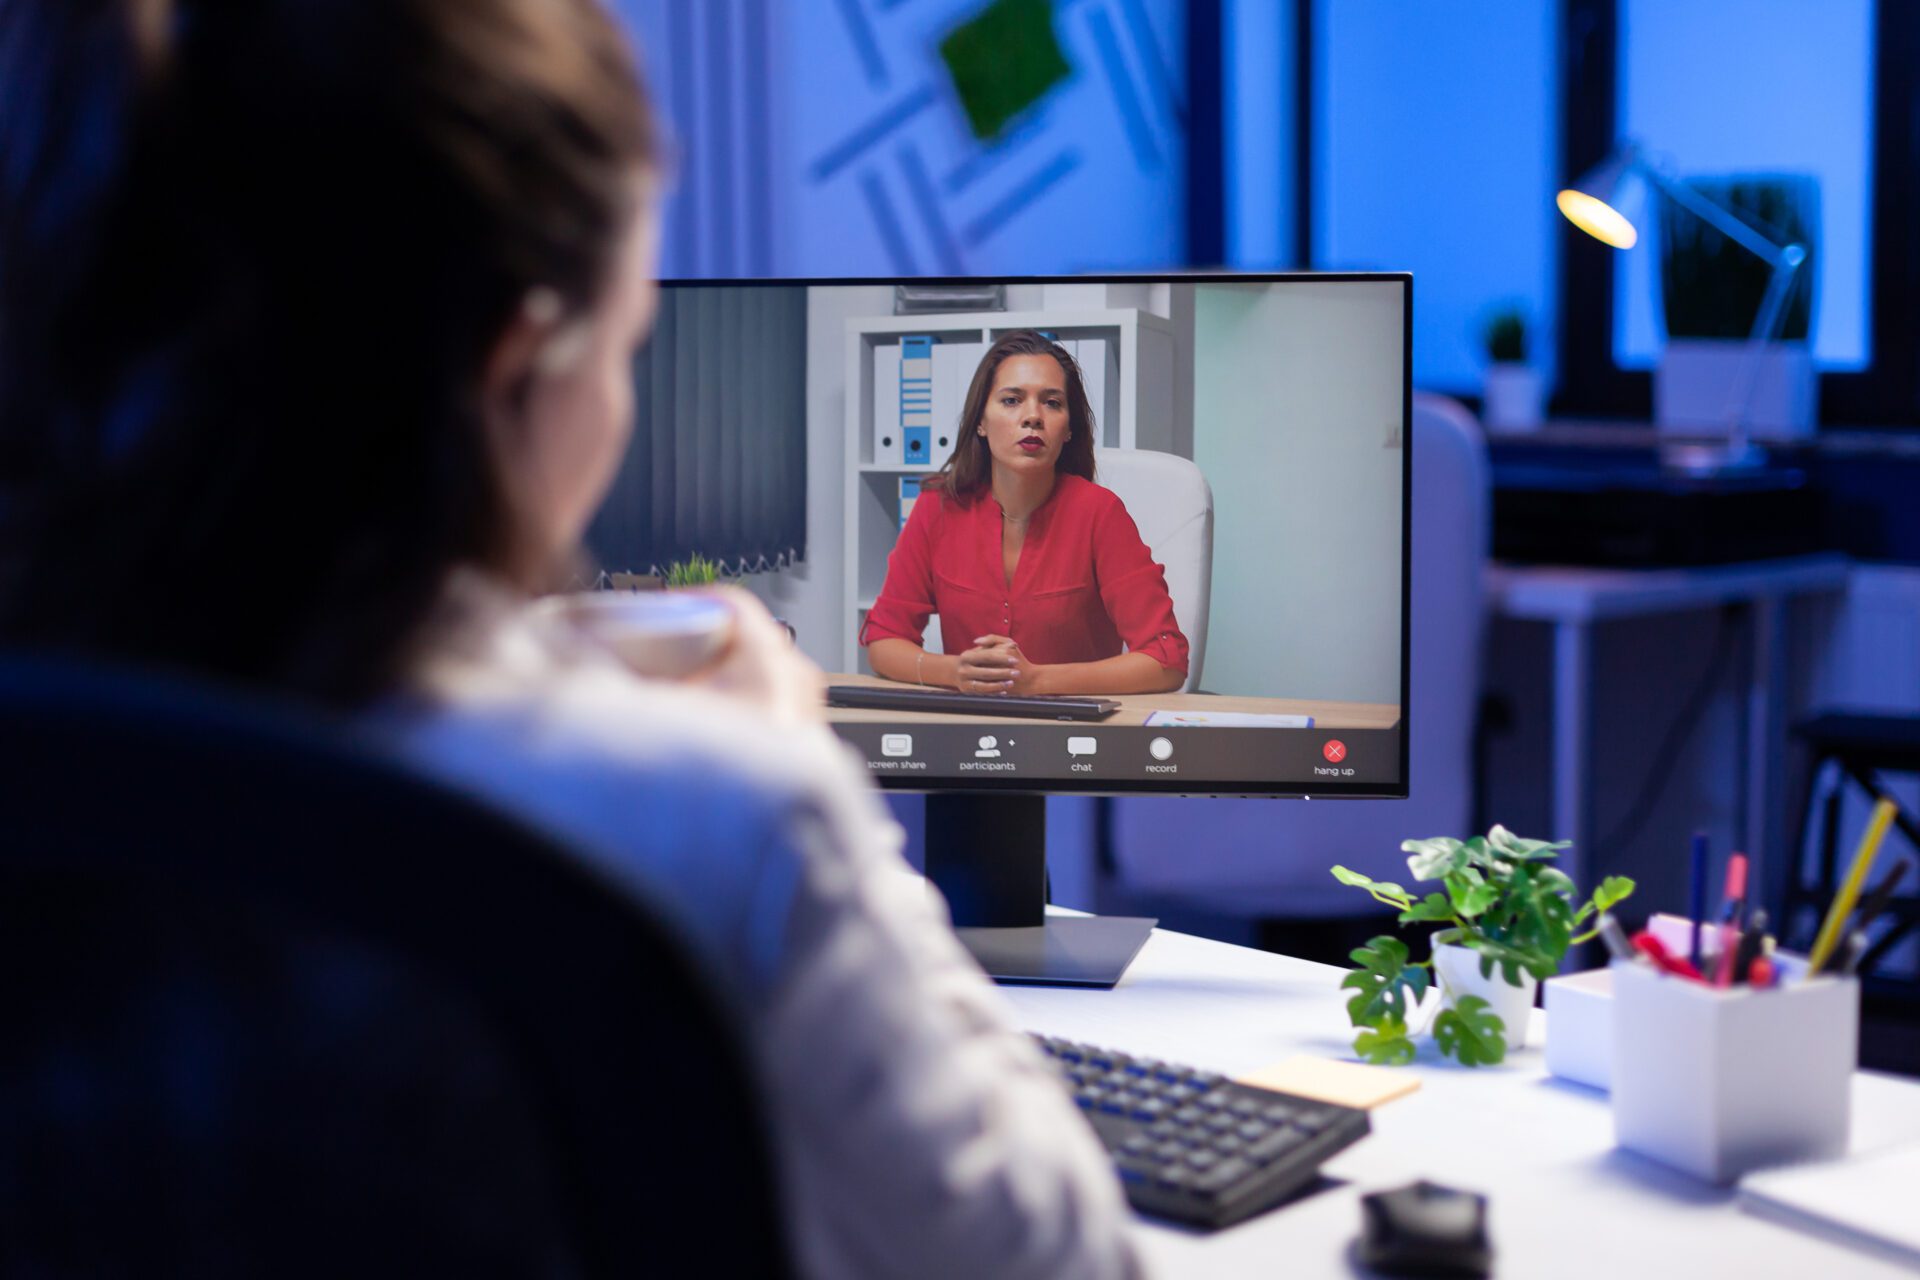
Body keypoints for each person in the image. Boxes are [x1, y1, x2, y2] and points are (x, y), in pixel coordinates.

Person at [0, 3, 1143, 1277]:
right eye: (627, 346)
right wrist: (799, 776)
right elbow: (1053, 1260)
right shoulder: (719, 816)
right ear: (518, 356)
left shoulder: (56, 734)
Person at [861, 330, 1188, 697]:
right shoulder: (938, 507)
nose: (1032, 416)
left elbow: (1166, 659)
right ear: (980, 422)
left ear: (1068, 430)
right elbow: (884, 640)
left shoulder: (1100, 514)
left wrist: (1037, 681)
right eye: (1012, 400)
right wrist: (955, 672)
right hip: (970, 729)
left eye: (1052, 403)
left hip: (1076, 738)